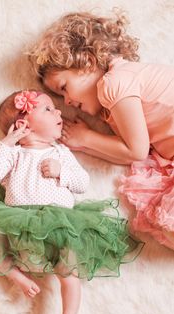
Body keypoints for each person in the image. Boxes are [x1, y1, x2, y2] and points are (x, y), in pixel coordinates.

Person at [0, 90, 142, 314]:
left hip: (60, 222)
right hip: (17, 221)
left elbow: (82, 182)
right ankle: (16, 276)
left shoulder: (60, 153)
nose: (58, 111)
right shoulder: (13, 153)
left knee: (69, 272)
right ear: (23, 124)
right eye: (48, 109)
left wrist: (61, 173)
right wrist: (8, 141)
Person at [30, 11, 174, 250]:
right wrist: (83, 144)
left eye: (64, 87)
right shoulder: (113, 102)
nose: (66, 102)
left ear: (88, 61)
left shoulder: (114, 83)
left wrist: (86, 137)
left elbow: (136, 151)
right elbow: (128, 153)